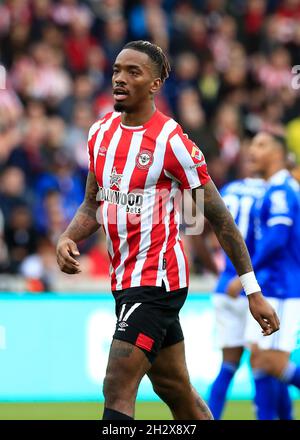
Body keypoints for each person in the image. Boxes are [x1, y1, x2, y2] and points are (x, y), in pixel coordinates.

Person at [56, 41, 279, 421]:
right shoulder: (100, 133)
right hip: (123, 278)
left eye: (133, 72)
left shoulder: (173, 144)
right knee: (175, 390)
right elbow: (94, 203)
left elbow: (220, 219)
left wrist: (252, 290)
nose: (120, 79)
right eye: (116, 70)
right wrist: (68, 237)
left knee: (116, 384)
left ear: (156, 84)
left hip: (157, 280)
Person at [227, 132, 300, 420]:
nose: (252, 151)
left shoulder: (282, 190)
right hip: (272, 284)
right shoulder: (273, 189)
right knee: (259, 359)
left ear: (279, 154)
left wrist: (246, 274)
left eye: (261, 145)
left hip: (282, 286)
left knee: (270, 361)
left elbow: (278, 238)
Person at [208, 175, 293, 420]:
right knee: (265, 363)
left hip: (225, 286)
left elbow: (204, 227)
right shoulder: (273, 193)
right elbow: (275, 240)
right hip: (257, 286)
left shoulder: (228, 188)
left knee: (228, 367)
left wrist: (218, 272)